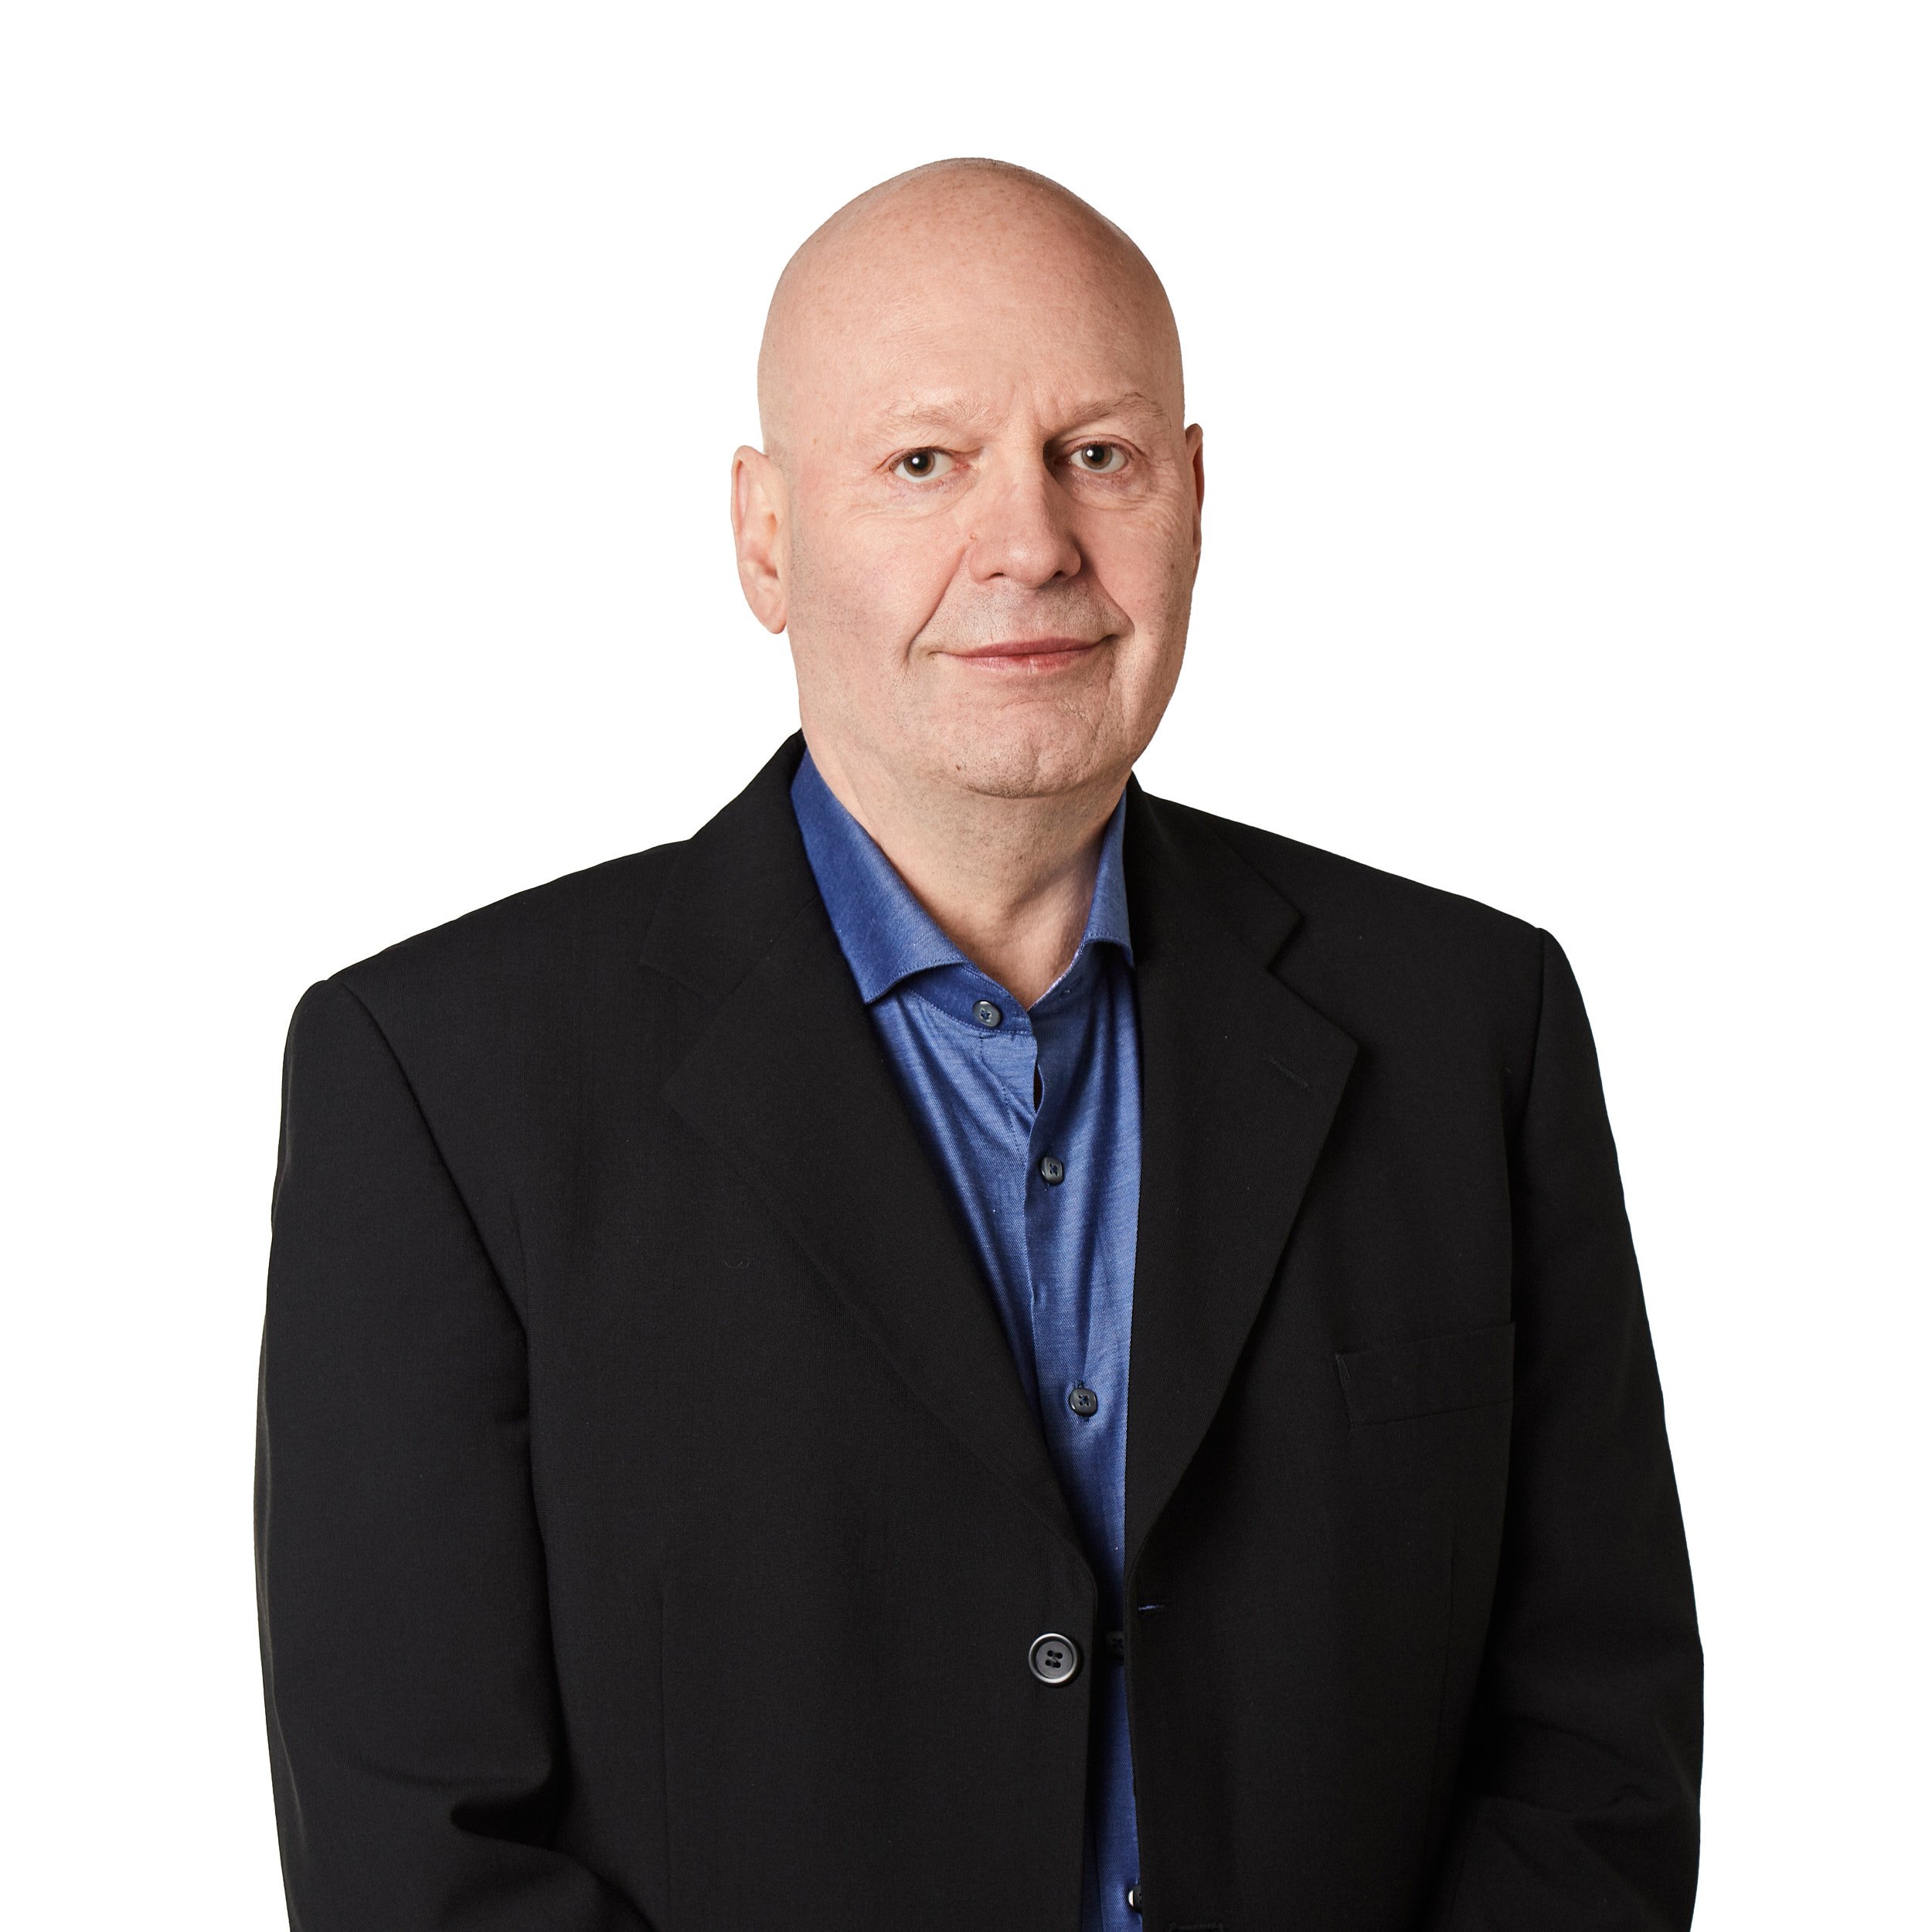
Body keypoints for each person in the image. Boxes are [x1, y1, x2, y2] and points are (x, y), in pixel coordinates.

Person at [255, 159, 1702, 1931]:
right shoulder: (438, 1082)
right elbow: (425, 1859)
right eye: (924, 462)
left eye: (1096, 452)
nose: (1030, 542)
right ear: (764, 538)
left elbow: (1593, 1749)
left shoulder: (1471, 1024)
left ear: (1191, 497)